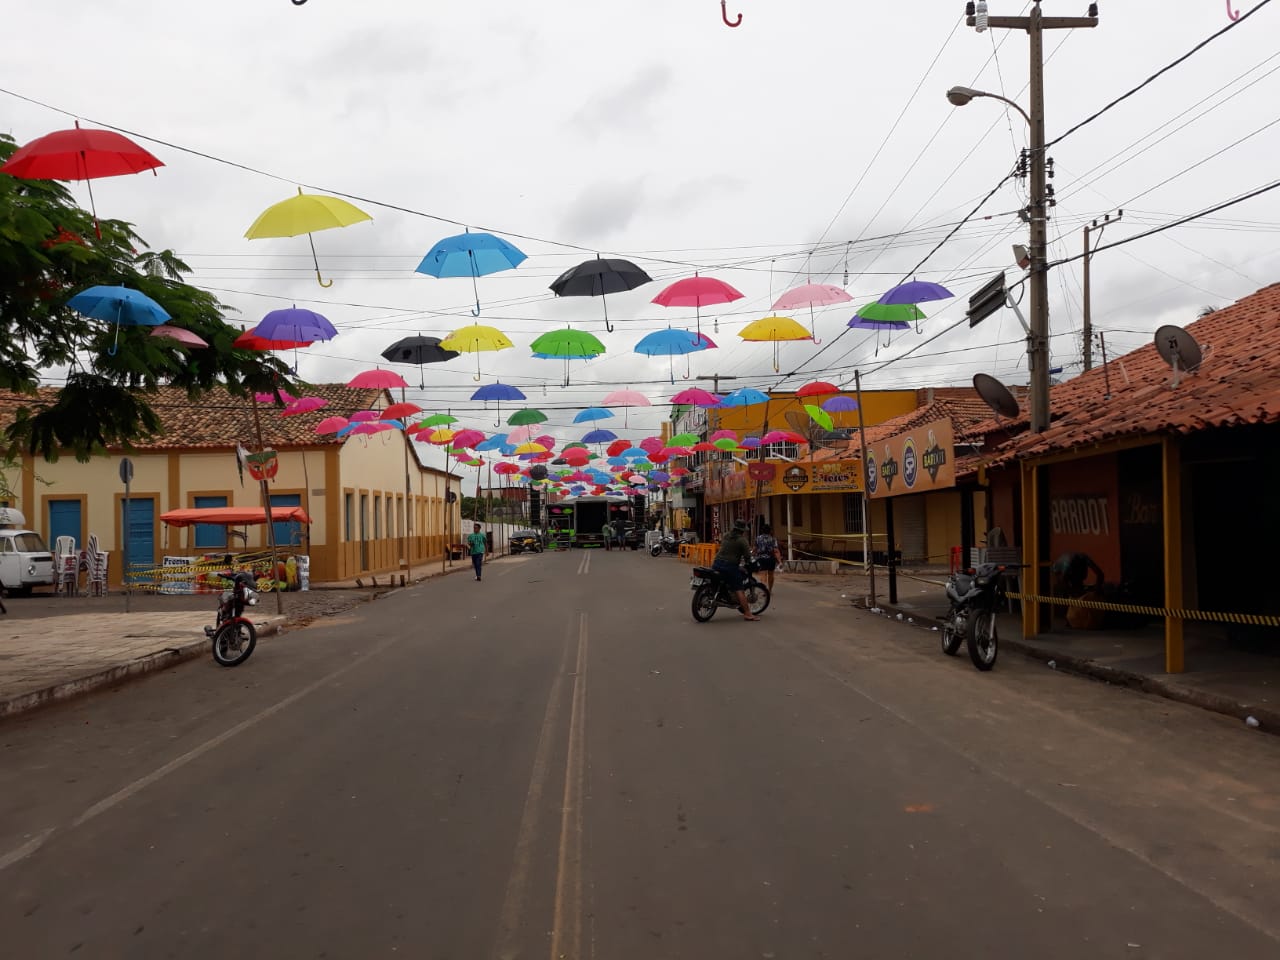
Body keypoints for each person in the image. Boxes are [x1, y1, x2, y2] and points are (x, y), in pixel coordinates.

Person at [712, 519, 761, 621]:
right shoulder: (742, 540)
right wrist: (749, 562)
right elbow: (747, 556)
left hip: (716, 563)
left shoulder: (726, 535)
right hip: (729, 566)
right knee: (739, 588)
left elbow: (727, 549)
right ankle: (748, 613)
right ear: (742, 530)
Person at [753, 523, 782, 592]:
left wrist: (753, 556)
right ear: (770, 531)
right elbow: (776, 551)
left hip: (761, 559)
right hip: (771, 559)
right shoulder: (773, 539)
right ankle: (769, 590)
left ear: (762, 531)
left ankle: (764, 591)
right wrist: (779, 561)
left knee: (763, 575)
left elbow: (754, 549)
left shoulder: (758, 538)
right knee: (771, 575)